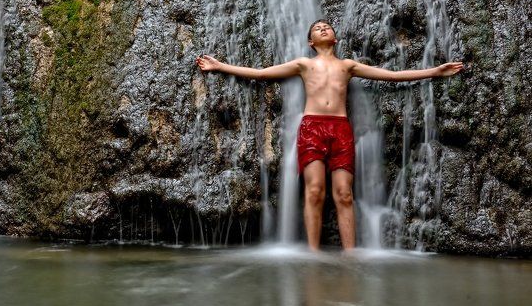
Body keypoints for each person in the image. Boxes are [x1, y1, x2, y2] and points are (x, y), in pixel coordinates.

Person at [194, 19, 464, 251]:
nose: (323, 29)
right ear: (311, 41)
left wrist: (435, 71)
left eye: (327, 27)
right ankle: (312, 253)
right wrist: (220, 66)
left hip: (340, 129)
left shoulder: (348, 66)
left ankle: (350, 253)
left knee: (344, 194)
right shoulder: (303, 64)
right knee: (314, 191)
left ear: (335, 38)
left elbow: (391, 75)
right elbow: (262, 74)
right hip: (312, 127)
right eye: (317, 28)